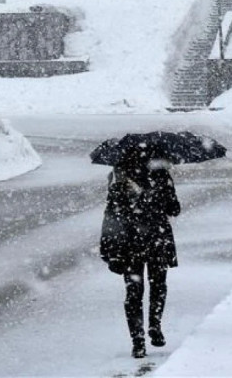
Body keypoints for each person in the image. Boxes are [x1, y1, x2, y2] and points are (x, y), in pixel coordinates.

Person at [99, 151, 181, 358]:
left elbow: (111, 216)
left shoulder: (119, 177)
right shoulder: (161, 174)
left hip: (129, 243)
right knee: (158, 285)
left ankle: (138, 341)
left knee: (133, 294)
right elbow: (174, 208)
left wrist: (108, 249)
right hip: (157, 240)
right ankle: (155, 324)